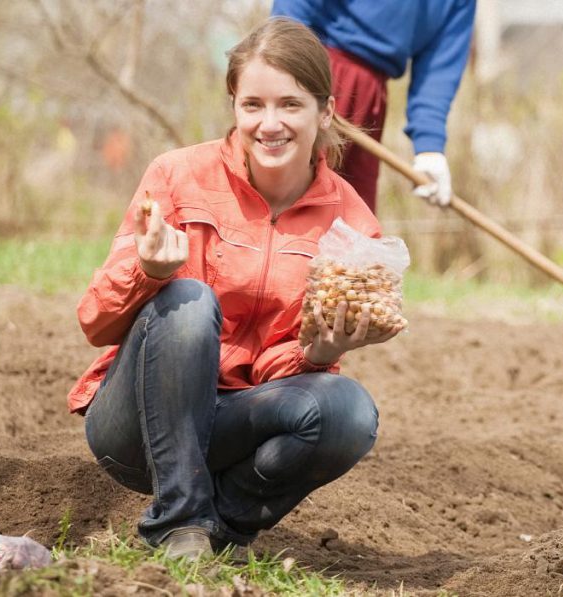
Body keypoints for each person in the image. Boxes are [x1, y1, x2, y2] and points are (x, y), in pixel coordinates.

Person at [66, 17, 405, 561]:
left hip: (234, 423)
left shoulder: (351, 225)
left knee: (350, 413)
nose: (270, 124)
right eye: (253, 105)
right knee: (189, 300)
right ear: (234, 107)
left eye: (290, 105)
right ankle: (179, 522)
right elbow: (94, 323)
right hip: (138, 427)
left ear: (326, 112)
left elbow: (285, 385)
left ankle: (220, 524)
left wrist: (319, 353)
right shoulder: (177, 177)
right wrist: (148, 275)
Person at [271, 0, 476, 213]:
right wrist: (286, 68)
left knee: (354, 223)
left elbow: (438, 68)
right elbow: (294, 7)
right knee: (287, 203)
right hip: (315, 71)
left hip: (372, 95)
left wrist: (430, 148)